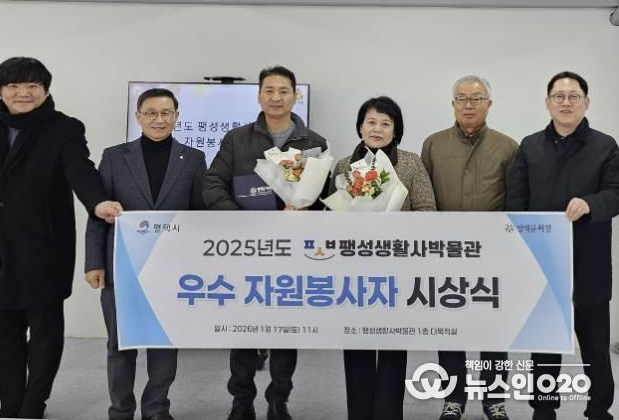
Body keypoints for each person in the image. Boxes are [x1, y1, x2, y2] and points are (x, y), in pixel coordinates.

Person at [0, 56, 122, 419]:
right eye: (14, 86)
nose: (23, 93)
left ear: (46, 90)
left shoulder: (64, 128)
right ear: (0, 91)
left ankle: (34, 403)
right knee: (2, 332)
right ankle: (9, 404)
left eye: (32, 86)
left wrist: (97, 202)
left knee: (45, 331)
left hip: (42, 247)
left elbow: (80, 170)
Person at [203, 66, 328, 420]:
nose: (276, 97)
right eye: (269, 90)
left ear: (295, 96)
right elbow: (212, 184)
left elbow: (326, 196)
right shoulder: (237, 139)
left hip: (293, 253)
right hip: (247, 251)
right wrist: (240, 220)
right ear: (259, 95)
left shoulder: (314, 142)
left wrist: (305, 209)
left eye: (283, 91)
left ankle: (279, 400)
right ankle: (241, 402)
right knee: (244, 327)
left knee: (286, 328)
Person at [85, 88, 207, 420]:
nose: (159, 120)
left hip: (172, 268)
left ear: (177, 117)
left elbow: (200, 215)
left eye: (166, 113)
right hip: (121, 268)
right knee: (119, 345)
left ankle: (156, 408)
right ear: (138, 117)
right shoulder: (114, 157)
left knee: (164, 342)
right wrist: (94, 262)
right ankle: (120, 410)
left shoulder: (193, 159)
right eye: (151, 113)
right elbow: (97, 214)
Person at [507, 71, 619, 420]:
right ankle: (543, 410)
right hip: (543, 264)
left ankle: (599, 411)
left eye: (574, 96)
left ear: (586, 102)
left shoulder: (606, 146)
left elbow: (616, 193)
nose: (566, 102)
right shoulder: (529, 146)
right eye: (559, 96)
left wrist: (590, 204)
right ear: (548, 103)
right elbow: (515, 202)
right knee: (544, 348)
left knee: (596, 348)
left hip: (589, 263)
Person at [329, 96, 436, 420]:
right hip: (354, 273)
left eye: (385, 123)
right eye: (371, 122)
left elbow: (427, 211)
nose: (377, 129)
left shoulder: (411, 163)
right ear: (360, 127)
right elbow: (330, 218)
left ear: (395, 130)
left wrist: (394, 226)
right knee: (356, 347)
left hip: (396, 271)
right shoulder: (343, 166)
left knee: (392, 349)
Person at [421, 75, 518, 420]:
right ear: (453, 104)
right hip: (445, 254)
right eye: (461, 98)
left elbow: (515, 202)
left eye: (476, 98)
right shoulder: (433, 145)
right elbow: (424, 199)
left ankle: (494, 399)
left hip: (492, 255)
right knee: (450, 329)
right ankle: (454, 399)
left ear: (489, 104)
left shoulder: (508, 147)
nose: (468, 105)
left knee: (494, 329)